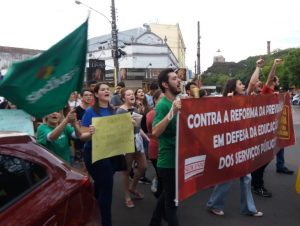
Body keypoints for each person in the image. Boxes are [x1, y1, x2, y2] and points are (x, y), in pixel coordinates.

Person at [206, 72, 263, 217]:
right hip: (230, 146)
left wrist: (258, 67)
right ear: (233, 87)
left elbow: (251, 84)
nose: (243, 86)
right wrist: (228, 104)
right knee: (228, 177)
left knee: (246, 177)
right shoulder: (224, 102)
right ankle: (214, 204)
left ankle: (248, 209)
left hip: (243, 145)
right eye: (239, 84)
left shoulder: (245, 99)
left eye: (242, 84)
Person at [251, 59, 294, 198]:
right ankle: (257, 185)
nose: (259, 84)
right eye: (277, 80)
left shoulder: (273, 92)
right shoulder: (266, 90)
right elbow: (269, 78)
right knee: (262, 159)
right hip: (261, 131)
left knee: (265, 158)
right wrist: (274, 65)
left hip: (269, 129)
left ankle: (256, 183)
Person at [80, 82, 119, 226]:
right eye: (103, 89)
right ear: (96, 94)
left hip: (111, 153)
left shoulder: (114, 110)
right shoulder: (90, 112)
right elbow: (82, 136)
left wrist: (129, 125)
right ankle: (105, 222)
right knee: (107, 189)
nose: (106, 91)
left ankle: (92, 211)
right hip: (95, 154)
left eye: (108, 89)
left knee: (102, 185)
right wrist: (89, 133)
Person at [149, 68, 182, 226]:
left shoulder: (175, 102)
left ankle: (154, 223)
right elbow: (155, 132)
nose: (179, 80)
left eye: (178, 78)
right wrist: (172, 112)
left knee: (166, 196)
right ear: (165, 84)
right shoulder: (163, 105)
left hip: (177, 159)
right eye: (175, 78)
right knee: (172, 204)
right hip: (168, 162)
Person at [116, 88, 149, 208]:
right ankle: (127, 196)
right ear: (124, 98)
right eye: (128, 94)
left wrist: (146, 137)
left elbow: (138, 128)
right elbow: (118, 129)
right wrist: (129, 127)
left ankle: (132, 187)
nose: (132, 95)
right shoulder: (120, 111)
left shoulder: (135, 109)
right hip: (126, 141)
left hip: (137, 140)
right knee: (127, 170)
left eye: (132, 94)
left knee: (144, 166)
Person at [146, 89, 164, 197]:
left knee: (163, 177)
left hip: (166, 149)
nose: (164, 101)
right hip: (156, 148)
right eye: (161, 99)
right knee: (162, 176)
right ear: (155, 100)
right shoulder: (152, 114)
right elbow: (152, 130)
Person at [135, 87, 152, 184]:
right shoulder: (135, 106)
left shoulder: (147, 105)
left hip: (147, 132)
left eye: (142, 92)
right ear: (136, 94)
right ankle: (141, 176)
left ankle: (140, 174)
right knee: (142, 154)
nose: (141, 93)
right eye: (139, 92)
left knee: (144, 154)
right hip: (138, 133)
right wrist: (139, 109)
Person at [73, 88, 94, 169]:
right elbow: (72, 125)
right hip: (80, 142)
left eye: (90, 95)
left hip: (92, 141)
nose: (88, 97)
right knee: (84, 168)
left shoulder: (94, 109)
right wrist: (76, 125)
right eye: (86, 95)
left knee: (93, 166)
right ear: (81, 97)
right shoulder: (76, 110)